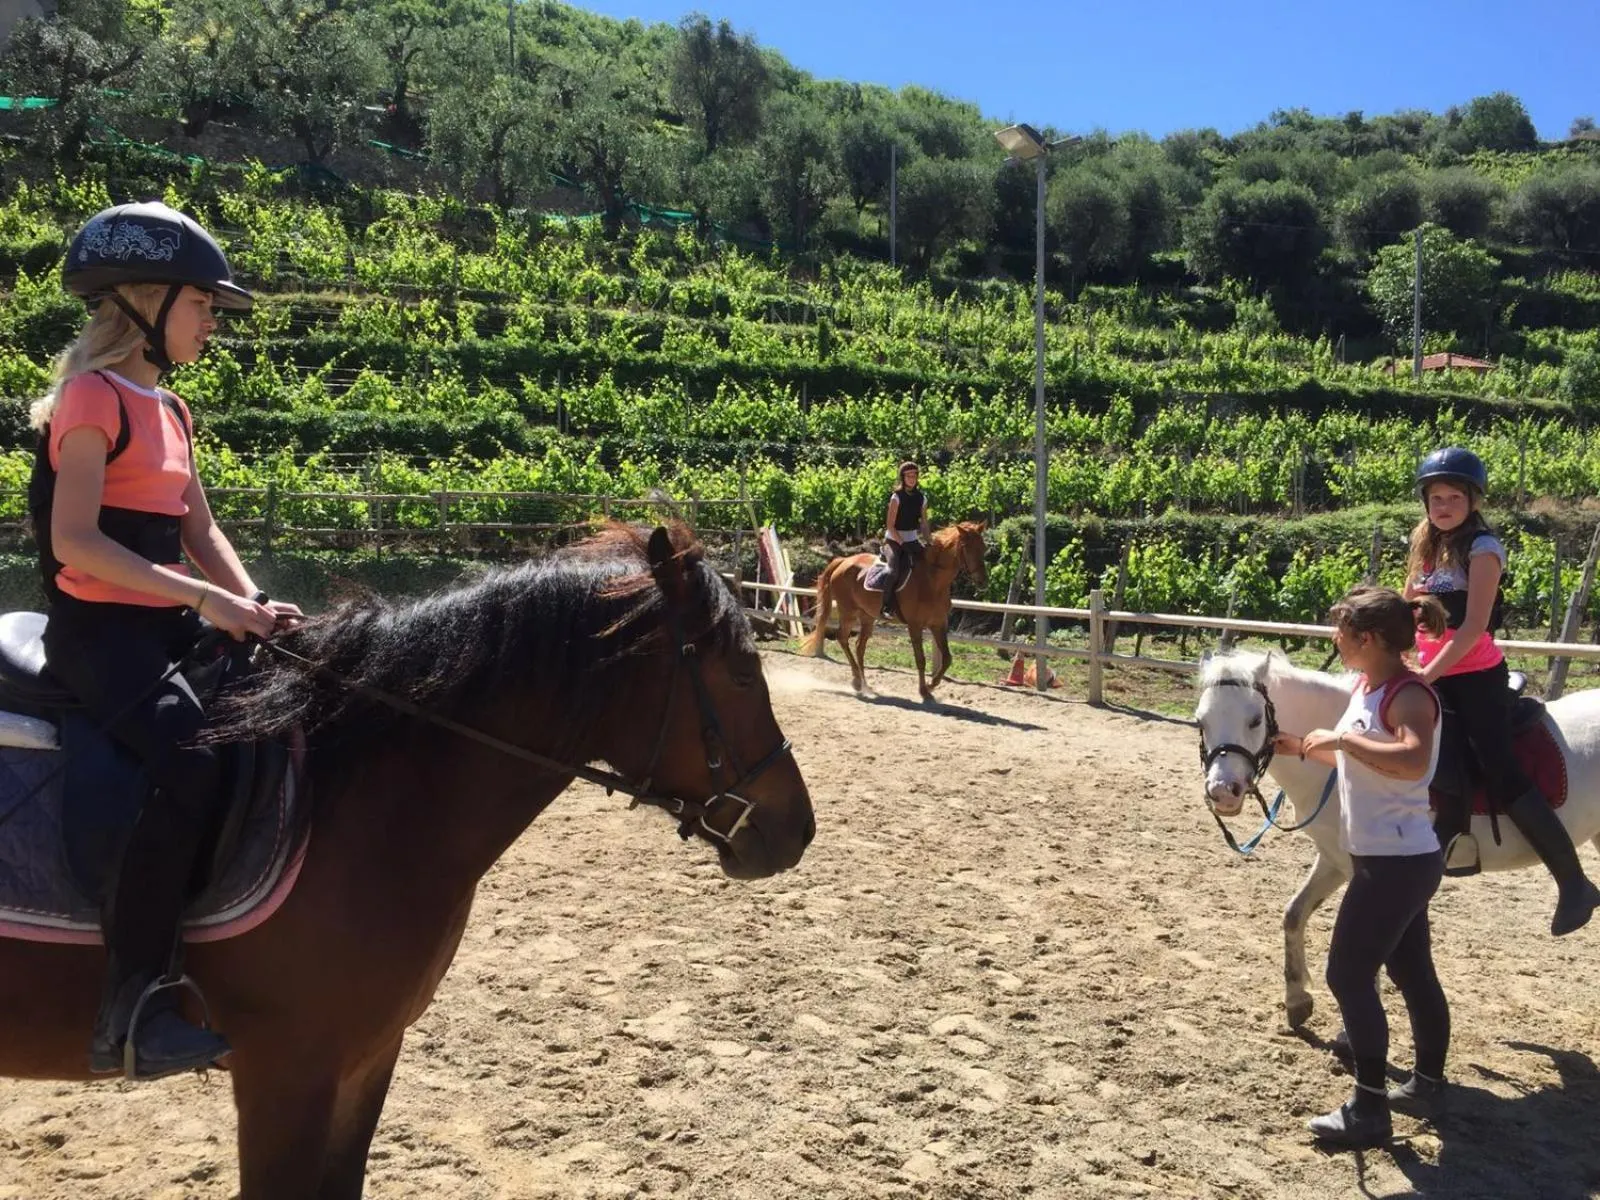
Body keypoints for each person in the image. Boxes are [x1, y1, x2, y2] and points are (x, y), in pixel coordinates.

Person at [30, 201, 302, 1079]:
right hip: (98, 631)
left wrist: (255, 602)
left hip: (163, 622)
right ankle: (134, 1001)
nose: (213, 321)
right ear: (144, 303)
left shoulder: (173, 411)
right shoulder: (89, 398)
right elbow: (76, 540)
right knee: (186, 756)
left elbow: (204, 534)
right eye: (202, 305)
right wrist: (205, 601)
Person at [1275, 586, 1453, 1148]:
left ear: (1368, 638)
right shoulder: (1368, 686)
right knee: (1411, 972)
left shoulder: (1409, 696)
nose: (1336, 640)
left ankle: (1370, 1110)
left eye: (1342, 631)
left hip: (1395, 862)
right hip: (1389, 856)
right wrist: (1298, 746)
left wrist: (1346, 741)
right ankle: (1425, 1084)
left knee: (1347, 975)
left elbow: (1412, 759)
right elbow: (1359, 761)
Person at [1404, 447, 1599, 936]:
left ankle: (1573, 883)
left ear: (1472, 501)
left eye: (1454, 496)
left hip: (1475, 676)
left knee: (1499, 767)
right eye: (1436, 496)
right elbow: (1407, 610)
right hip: (1432, 670)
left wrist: (1429, 676)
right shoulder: (1423, 546)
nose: (1444, 504)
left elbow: (1472, 628)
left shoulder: (1483, 549)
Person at [881, 461, 929, 619]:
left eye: (914, 475)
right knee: (892, 571)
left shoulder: (922, 498)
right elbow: (890, 525)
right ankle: (886, 606)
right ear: (903, 477)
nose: (912, 478)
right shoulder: (897, 497)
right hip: (893, 540)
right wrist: (902, 543)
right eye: (909, 475)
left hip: (913, 540)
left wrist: (929, 540)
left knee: (930, 566)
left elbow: (924, 523)